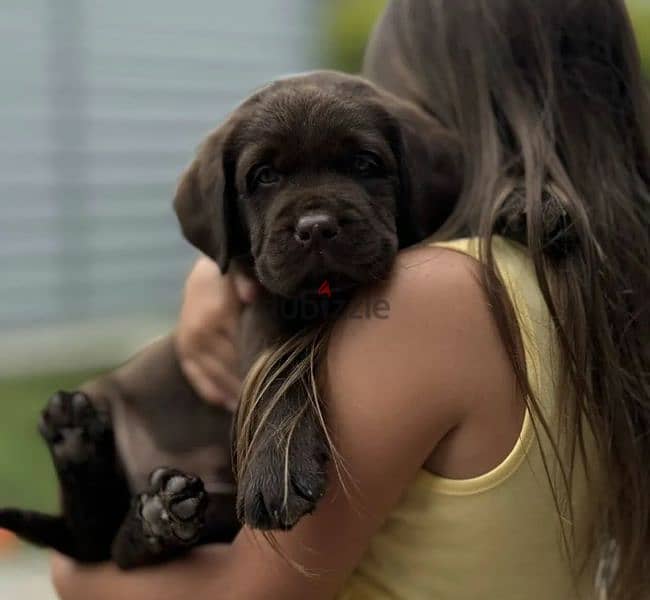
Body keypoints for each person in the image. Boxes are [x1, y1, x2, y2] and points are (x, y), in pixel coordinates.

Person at [51, 1, 650, 598]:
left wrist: (75, 574)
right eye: (268, 179)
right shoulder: (607, 285)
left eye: (362, 163)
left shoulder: (431, 299)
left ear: (425, 104)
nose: (313, 218)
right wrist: (222, 267)